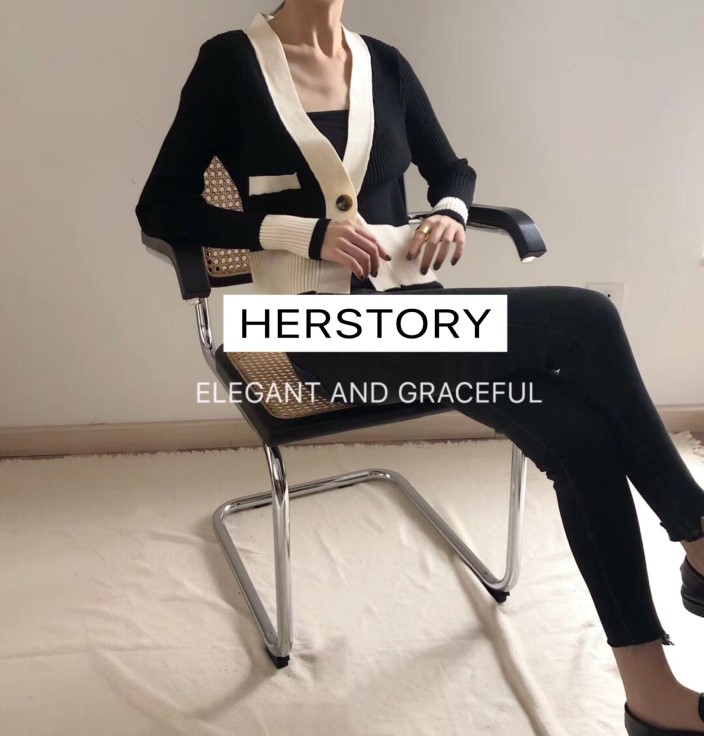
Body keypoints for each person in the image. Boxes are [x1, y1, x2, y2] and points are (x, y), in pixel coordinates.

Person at [135, 1, 704, 732]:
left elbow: (452, 169)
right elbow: (162, 207)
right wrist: (301, 234)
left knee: (582, 438)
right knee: (588, 319)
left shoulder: (385, 64)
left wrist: (451, 211)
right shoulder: (231, 63)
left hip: (415, 319)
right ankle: (697, 534)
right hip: (311, 335)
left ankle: (650, 693)